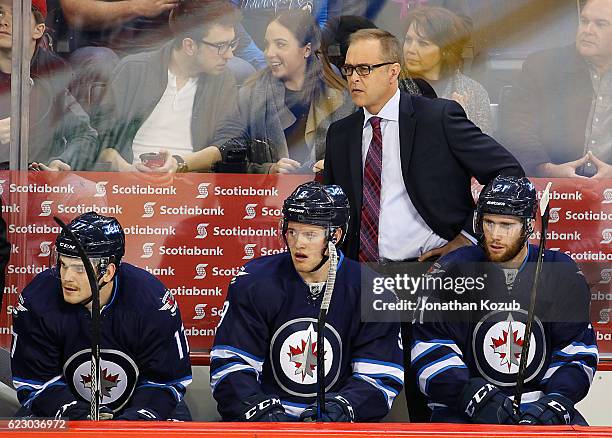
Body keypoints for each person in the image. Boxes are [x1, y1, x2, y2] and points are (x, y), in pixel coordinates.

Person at [411, 176, 598, 424]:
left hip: (539, 408)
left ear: (529, 226)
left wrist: (555, 403)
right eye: (489, 223)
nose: (495, 235)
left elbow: (576, 350)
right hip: (463, 409)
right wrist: (472, 396)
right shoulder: (452, 270)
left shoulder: (560, 271)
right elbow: (431, 346)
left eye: (507, 225)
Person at [210, 182, 403, 421]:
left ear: (336, 235)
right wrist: (263, 415)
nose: (298, 242)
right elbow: (232, 365)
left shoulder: (373, 291)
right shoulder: (255, 281)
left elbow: (380, 376)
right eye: (292, 231)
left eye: (310, 234)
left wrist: (342, 409)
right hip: (264, 429)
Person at [11, 212, 192, 420]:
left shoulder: (152, 303)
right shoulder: (37, 300)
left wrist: (132, 422)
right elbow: (36, 382)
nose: (66, 277)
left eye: (79, 269)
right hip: (63, 410)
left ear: (108, 272)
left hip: (139, 406)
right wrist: (77, 415)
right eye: (63, 264)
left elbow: (164, 382)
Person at [188, 9, 354, 174]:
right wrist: (268, 171)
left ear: (307, 49)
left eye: (280, 44)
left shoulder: (343, 100)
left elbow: (355, 159)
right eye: (267, 44)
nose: (269, 53)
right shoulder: (250, 94)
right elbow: (227, 152)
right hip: (265, 197)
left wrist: (330, 167)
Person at [95, 0, 241, 173]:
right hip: (130, 185)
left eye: (232, 44)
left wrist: (180, 164)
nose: (229, 55)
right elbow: (101, 142)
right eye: (221, 46)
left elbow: (228, 143)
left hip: (193, 186)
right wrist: (126, 170)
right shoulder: (133, 70)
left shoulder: (222, 80)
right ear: (189, 46)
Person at [501, 0, 612, 178]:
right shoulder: (542, 66)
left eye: (600, 24)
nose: (588, 30)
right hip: (550, 185)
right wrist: (546, 169)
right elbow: (515, 129)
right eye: (584, 21)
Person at [0, 0, 99, 170]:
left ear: (38, 30)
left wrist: (62, 162)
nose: (3, 21)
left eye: (16, 14)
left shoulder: (53, 74)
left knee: (90, 193)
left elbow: (85, 135)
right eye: (0, 13)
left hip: (39, 181)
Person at [399, 6, 493, 134]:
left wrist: (460, 123)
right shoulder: (392, 89)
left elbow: (483, 149)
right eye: (408, 40)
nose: (410, 50)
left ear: (445, 49)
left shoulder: (473, 92)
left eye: (423, 44)